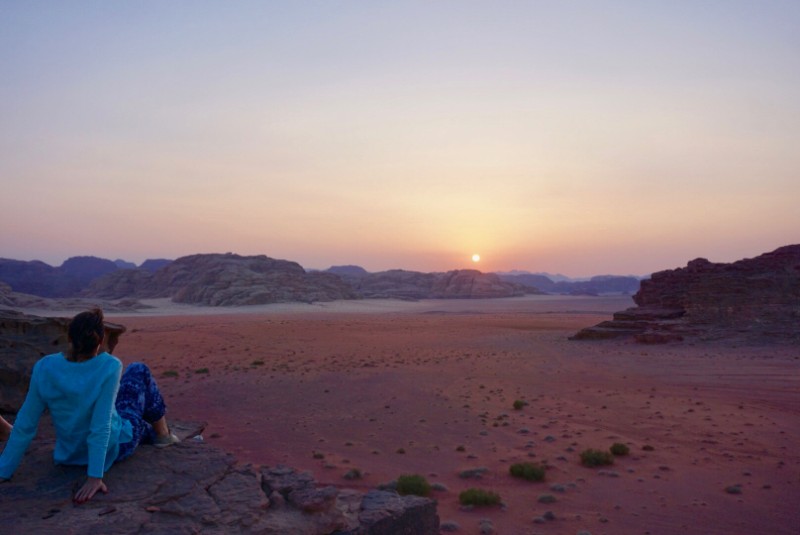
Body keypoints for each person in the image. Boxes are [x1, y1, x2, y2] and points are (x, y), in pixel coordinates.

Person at [0, 308, 179, 503]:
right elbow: (101, 425)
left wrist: (3, 470)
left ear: (69, 338)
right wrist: (95, 476)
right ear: (100, 341)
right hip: (115, 448)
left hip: (69, 455)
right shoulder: (110, 366)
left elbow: (25, 424)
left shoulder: (44, 367)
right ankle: (163, 436)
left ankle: (153, 432)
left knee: (124, 410)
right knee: (138, 370)